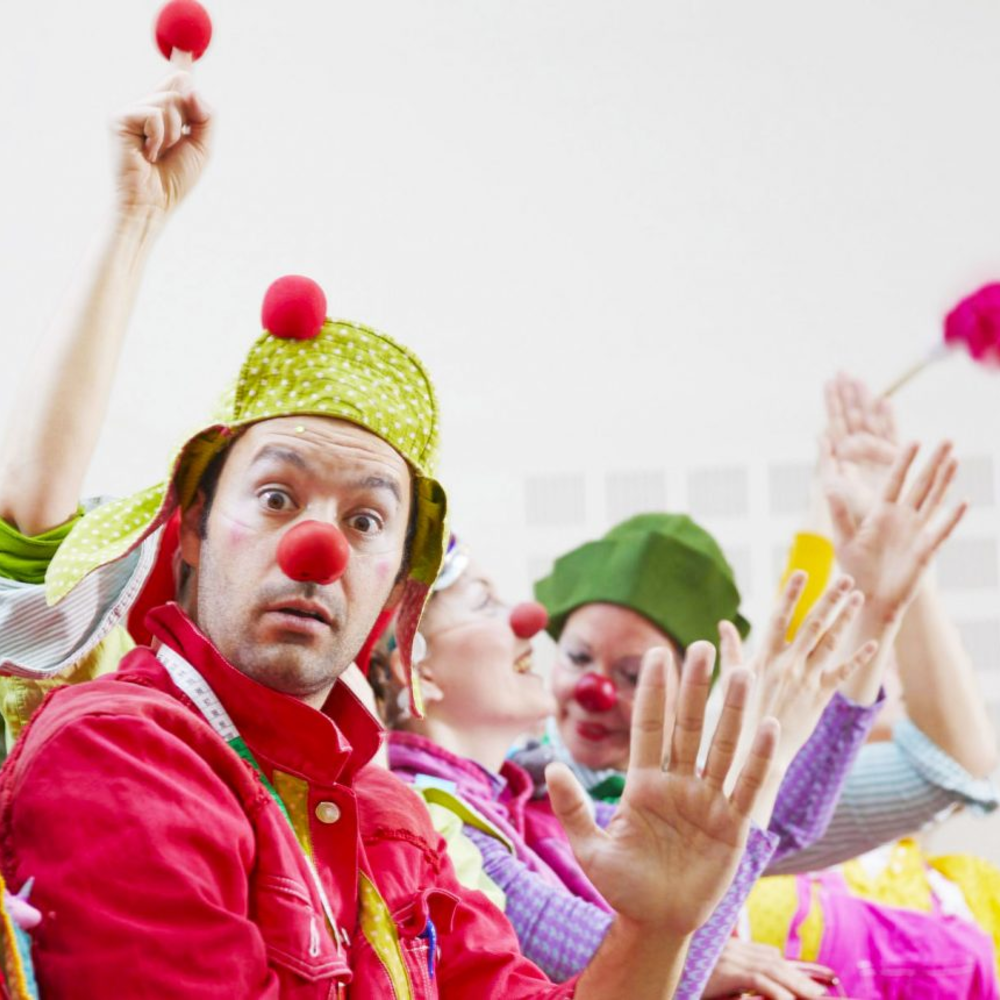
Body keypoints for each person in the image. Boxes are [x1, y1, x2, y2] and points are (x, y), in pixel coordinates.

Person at [0, 73, 784, 998]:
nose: (316, 549)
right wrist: (132, 227)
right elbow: (30, 540)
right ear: (193, 536)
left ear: (396, 592)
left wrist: (656, 929)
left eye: (365, 518)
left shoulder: (391, 817)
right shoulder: (127, 751)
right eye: (279, 496)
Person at [371, 527, 885, 998]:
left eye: (634, 672)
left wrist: (880, 613)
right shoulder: (438, 829)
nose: (527, 621)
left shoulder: (523, 796)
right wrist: (770, 752)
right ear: (416, 668)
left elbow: (769, 833)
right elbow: (650, 972)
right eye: (485, 603)